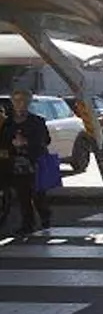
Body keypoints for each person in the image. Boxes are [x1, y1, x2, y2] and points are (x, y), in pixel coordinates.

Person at [0, 89, 52, 236]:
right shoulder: (8, 122)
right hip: (16, 163)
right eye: (17, 100)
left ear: (29, 102)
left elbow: (46, 140)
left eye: (23, 100)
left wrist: (26, 142)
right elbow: (3, 141)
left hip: (34, 162)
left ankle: (45, 217)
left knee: (38, 194)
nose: (20, 104)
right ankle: (27, 224)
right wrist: (11, 146)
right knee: (23, 194)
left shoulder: (37, 121)